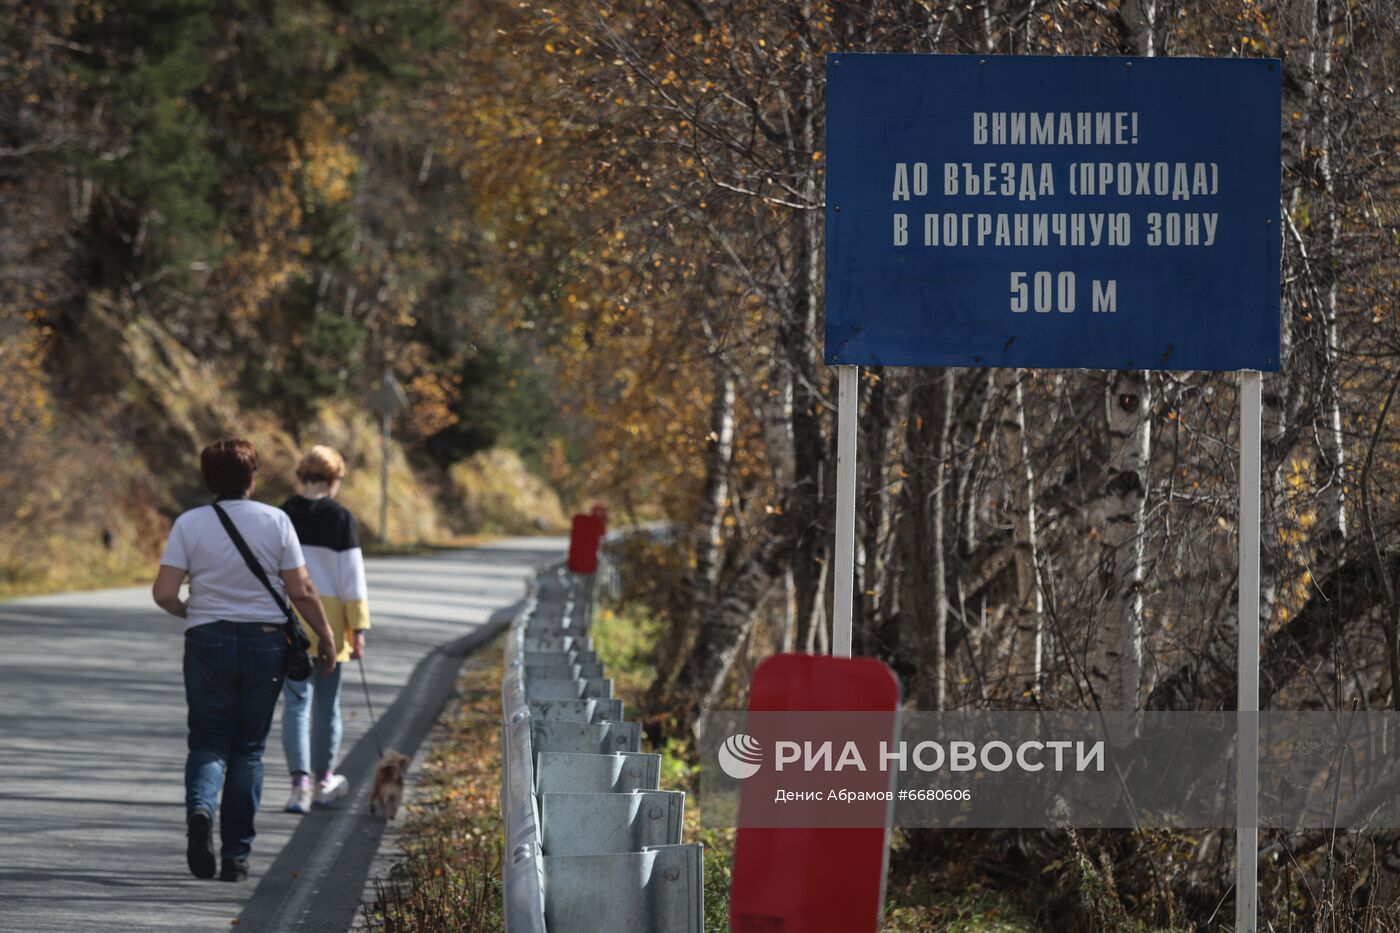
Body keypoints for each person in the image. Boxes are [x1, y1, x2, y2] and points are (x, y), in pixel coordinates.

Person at [153, 438, 337, 882]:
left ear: (207, 478)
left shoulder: (189, 523)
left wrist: (192, 613)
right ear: (252, 478)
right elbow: (301, 590)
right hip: (264, 642)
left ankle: (200, 808)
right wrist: (325, 633)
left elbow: (163, 592)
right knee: (249, 748)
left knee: (208, 741)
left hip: (207, 639)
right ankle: (235, 857)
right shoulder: (276, 520)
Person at [279, 445, 372, 814]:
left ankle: (298, 785)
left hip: (290, 621)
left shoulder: (281, 515)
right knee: (327, 706)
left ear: (302, 474)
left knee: (295, 705)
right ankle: (323, 782)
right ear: (334, 480)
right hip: (331, 622)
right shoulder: (341, 518)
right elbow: (352, 576)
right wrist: (358, 628)